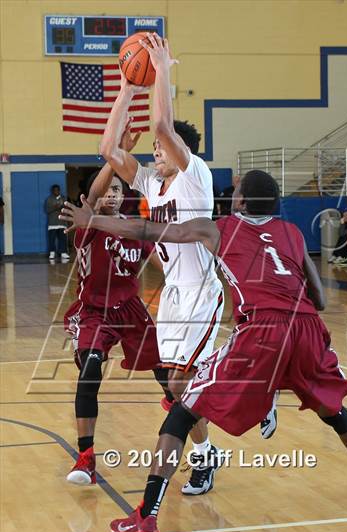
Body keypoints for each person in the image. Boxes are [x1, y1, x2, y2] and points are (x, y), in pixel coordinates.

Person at [61, 169, 347, 532]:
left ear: (238, 202)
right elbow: (319, 298)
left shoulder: (220, 227)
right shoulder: (294, 233)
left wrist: (92, 220)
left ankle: (145, 519)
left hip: (261, 330)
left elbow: (150, 231)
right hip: (307, 327)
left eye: (235, 192)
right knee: (332, 409)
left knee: (182, 408)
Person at [96, 32, 229, 496]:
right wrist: (127, 88)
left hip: (201, 293)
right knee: (176, 391)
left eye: (160, 153)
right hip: (171, 294)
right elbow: (108, 152)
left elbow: (162, 130)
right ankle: (207, 451)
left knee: (180, 382)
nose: (154, 156)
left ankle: (232, 403)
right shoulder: (153, 184)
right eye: (153, 155)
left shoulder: (195, 175)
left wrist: (163, 70)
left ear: (180, 154)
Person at [65, 126, 167, 485]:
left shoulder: (134, 229)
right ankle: (86, 456)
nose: (110, 192)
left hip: (131, 310)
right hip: (94, 311)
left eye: (117, 188)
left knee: (167, 374)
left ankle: (186, 428)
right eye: (107, 188)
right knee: (90, 372)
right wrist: (115, 156)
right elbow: (92, 196)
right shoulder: (87, 224)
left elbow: (164, 262)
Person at [45, 184, 69, 261]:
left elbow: (67, 207)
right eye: (54, 190)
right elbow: (47, 210)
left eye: (57, 190)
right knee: (52, 239)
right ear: (52, 191)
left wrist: (61, 207)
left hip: (62, 222)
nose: (56, 191)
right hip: (52, 223)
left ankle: (63, 252)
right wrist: (55, 207)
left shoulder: (64, 198)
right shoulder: (49, 199)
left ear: (59, 190)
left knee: (62, 238)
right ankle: (52, 252)